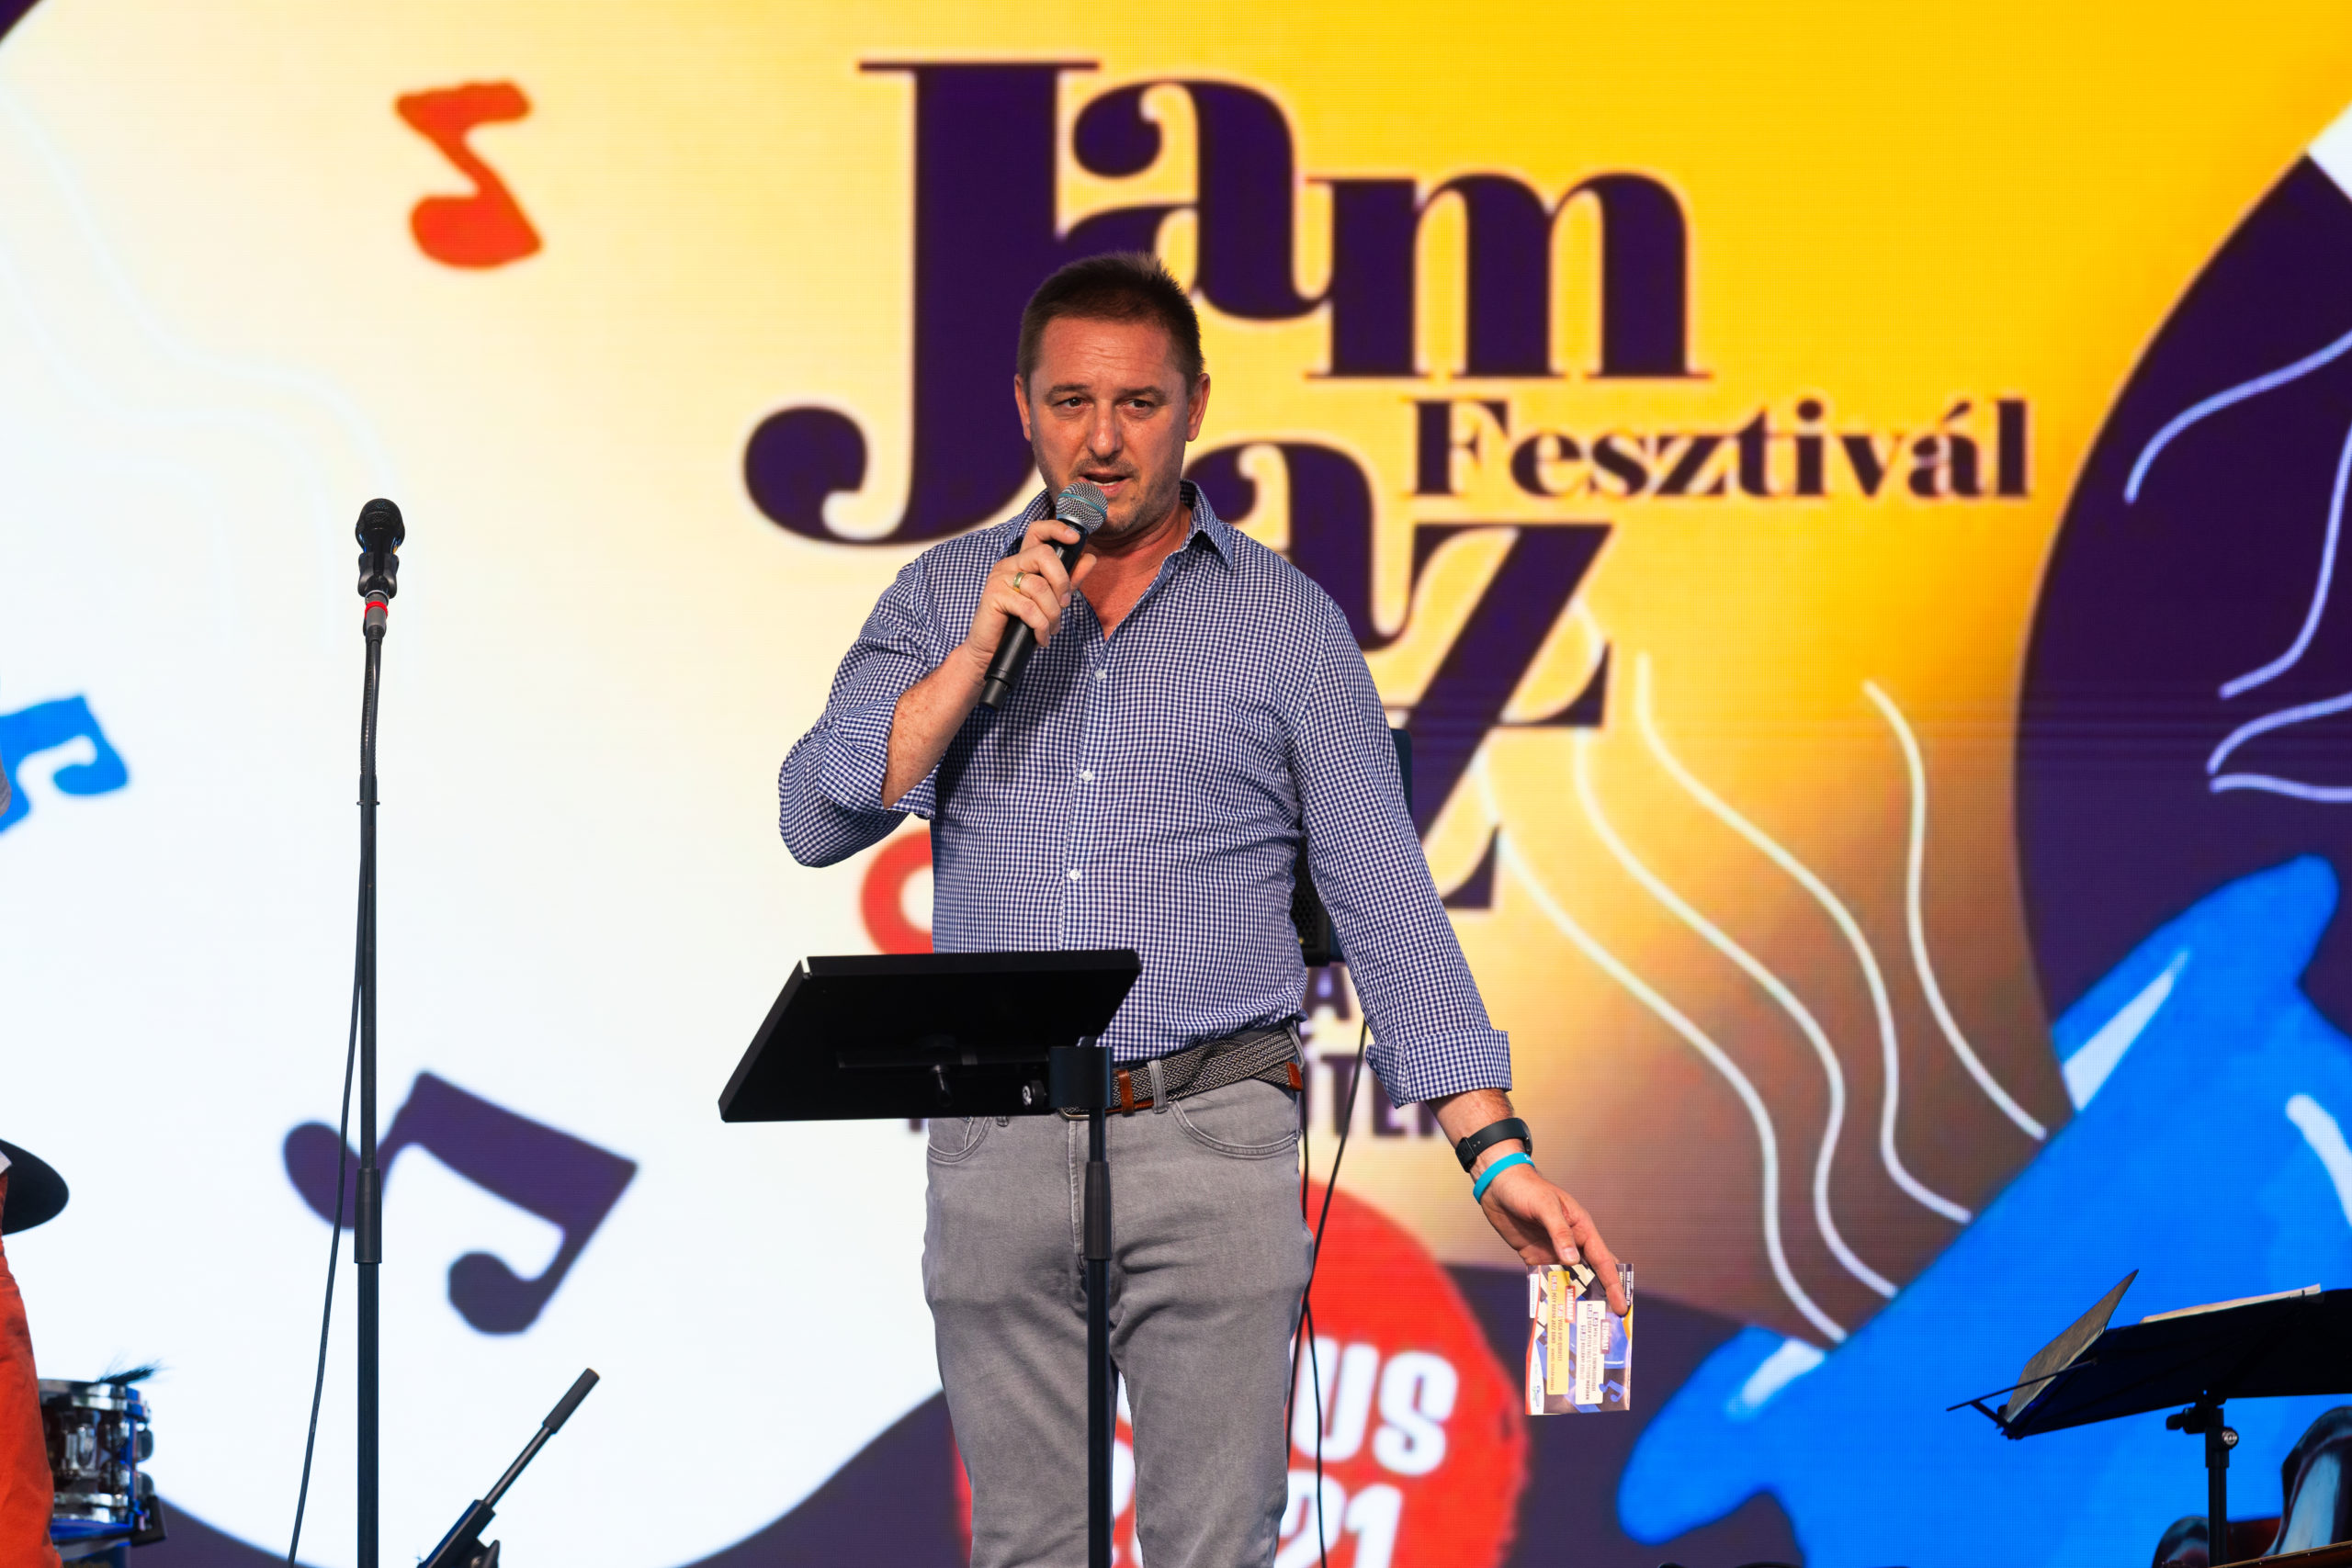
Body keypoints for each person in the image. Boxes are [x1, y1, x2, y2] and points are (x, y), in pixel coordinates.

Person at [779, 251, 1622, 1568]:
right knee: (1027, 1549)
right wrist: (976, 652)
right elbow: (817, 817)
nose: (1103, 442)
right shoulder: (946, 595)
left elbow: (1383, 896)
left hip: (1211, 1132)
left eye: (1138, 404)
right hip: (1002, 1139)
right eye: (1071, 403)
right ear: (1023, 408)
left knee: (1217, 1547)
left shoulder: (1286, 624)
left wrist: (1493, 1150)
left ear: (1195, 408)